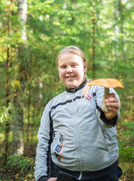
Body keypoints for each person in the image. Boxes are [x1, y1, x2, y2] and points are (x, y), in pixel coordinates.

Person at [34, 46, 123, 181]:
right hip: (64, 174)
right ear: (59, 70)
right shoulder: (53, 105)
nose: (69, 70)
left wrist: (110, 115)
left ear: (85, 67)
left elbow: (108, 120)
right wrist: (41, 177)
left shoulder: (99, 91)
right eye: (63, 66)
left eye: (74, 65)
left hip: (103, 173)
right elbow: (44, 142)